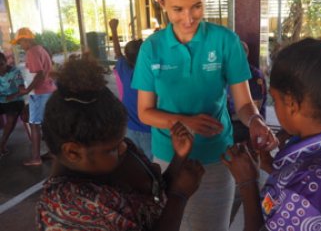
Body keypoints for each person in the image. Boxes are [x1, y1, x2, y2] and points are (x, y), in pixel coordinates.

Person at [131, 0, 278, 230]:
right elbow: (145, 112)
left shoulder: (225, 41)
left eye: (196, 6)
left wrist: (255, 120)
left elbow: (244, 104)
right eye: (177, 9)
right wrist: (185, 122)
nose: (188, 19)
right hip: (169, 157)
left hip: (217, 157)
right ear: (161, 2)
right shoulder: (151, 48)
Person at [36, 54, 205, 231]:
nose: (124, 147)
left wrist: (178, 158)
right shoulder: (68, 204)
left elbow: (156, 194)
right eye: (112, 148)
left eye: (122, 140)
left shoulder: (114, 156)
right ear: (73, 152)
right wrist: (179, 196)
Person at [223, 34, 321, 231]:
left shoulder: (307, 190)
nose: (274, 106)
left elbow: (301, 193)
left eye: (275, 100)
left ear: (292, 104)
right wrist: (272, 168)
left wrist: (247, 182)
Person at [11, 27, 56, 166]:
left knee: (34, 125)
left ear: (26, 40)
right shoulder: (41, 49)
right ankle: (52, 152)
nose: (20, 46)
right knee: (48, 124)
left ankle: (36, 158)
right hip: (48, 91)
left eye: (20, 42)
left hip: (39, 93)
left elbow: (40, 74)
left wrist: (27, 90)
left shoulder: (32, 52)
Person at [109, 18, 152, 159]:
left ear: (127, 58)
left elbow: (117, 52)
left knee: (135, 161)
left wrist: (114, 30)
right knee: (153, 165)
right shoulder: (151, 75)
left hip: (130, 129)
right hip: (149, 130)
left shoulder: (124, 69)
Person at [228, 40, 267, 143]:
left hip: (247, 124)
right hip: (231, 121)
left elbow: (255, 107)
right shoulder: (228, 73)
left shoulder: (254, 76)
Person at [0, 52, 25, 157]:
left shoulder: (15, 71)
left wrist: (12, 96)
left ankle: (2, 144)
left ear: (6, 62)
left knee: (11, 120)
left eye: (1, 64)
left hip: (15, 99)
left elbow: (22, 89)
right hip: (1, 98)